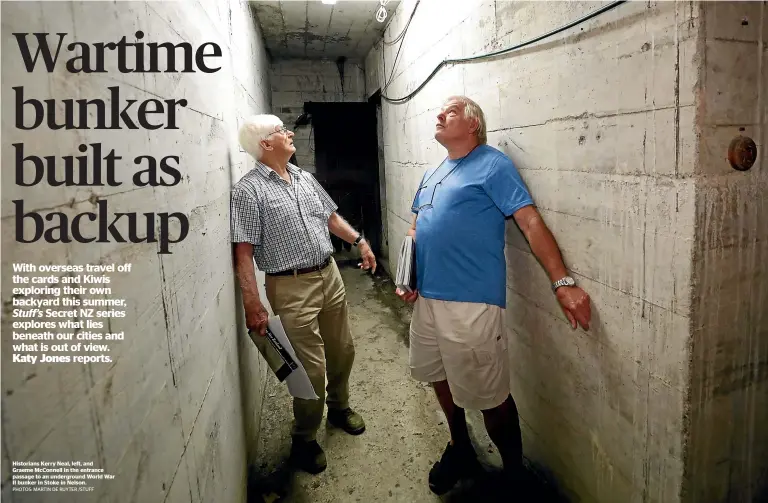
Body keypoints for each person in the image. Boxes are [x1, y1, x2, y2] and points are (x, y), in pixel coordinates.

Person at [396, 96, 592, 494]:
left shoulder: (492, 164)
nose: (438, 114)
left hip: (472, 302)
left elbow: (529, 220)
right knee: (437, 374)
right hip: (428, 299)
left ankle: (513, 475)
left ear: (473, 125)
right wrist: (407, 274)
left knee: (490, 394)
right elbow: (415, 229)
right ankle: (460, 446)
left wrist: (562, 282)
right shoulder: (432, 173)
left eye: (449, 111)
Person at [231, 114, 376, 474]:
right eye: (281, 130)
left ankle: (339, 407)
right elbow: (244, 253)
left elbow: (329, 218)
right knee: (310, 371)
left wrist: (359, 241)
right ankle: (305, 438)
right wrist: (253, 305)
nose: (289, 132)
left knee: (343, 350)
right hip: (290, 286)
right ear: (266, 144)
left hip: (329, 276)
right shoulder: (248, 191)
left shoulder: (303, 178)